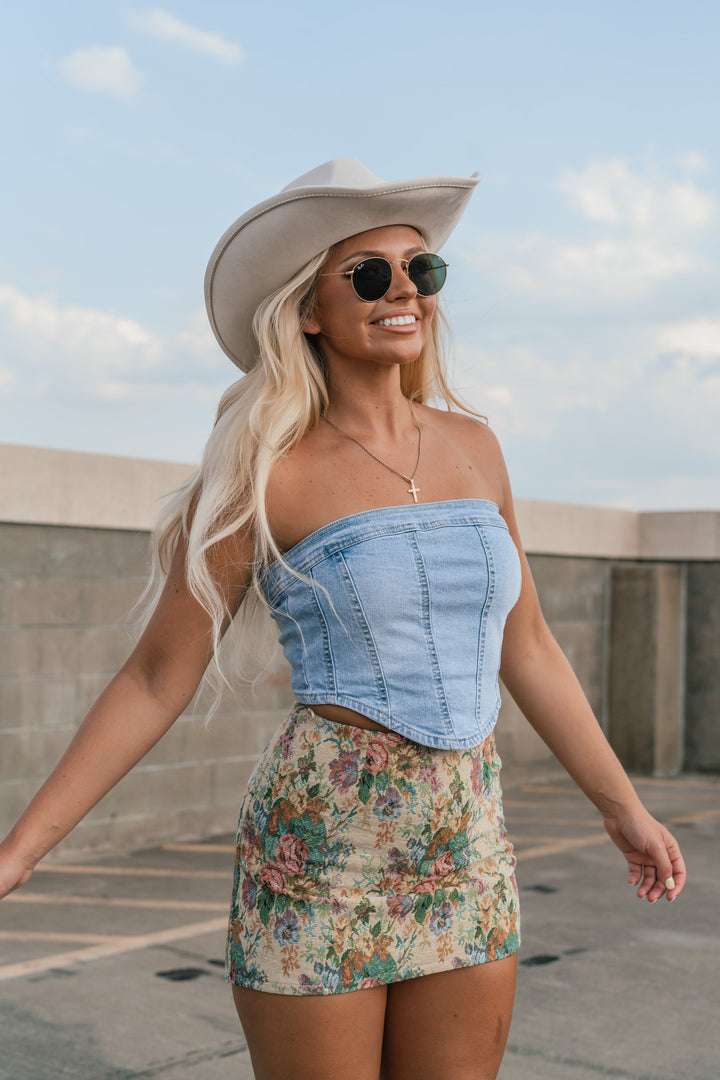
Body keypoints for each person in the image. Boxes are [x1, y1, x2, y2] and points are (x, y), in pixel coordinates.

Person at [0, 158, 686, 1080]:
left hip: (468, 846)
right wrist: (20, 851)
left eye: (421, 269)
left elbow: (527, 647)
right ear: (307, 310)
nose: (405, 290)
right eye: (369, 273)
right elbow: (157, 676)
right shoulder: (262, 474)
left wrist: (624, 808)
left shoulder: (477, 446)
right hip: (322, 851)